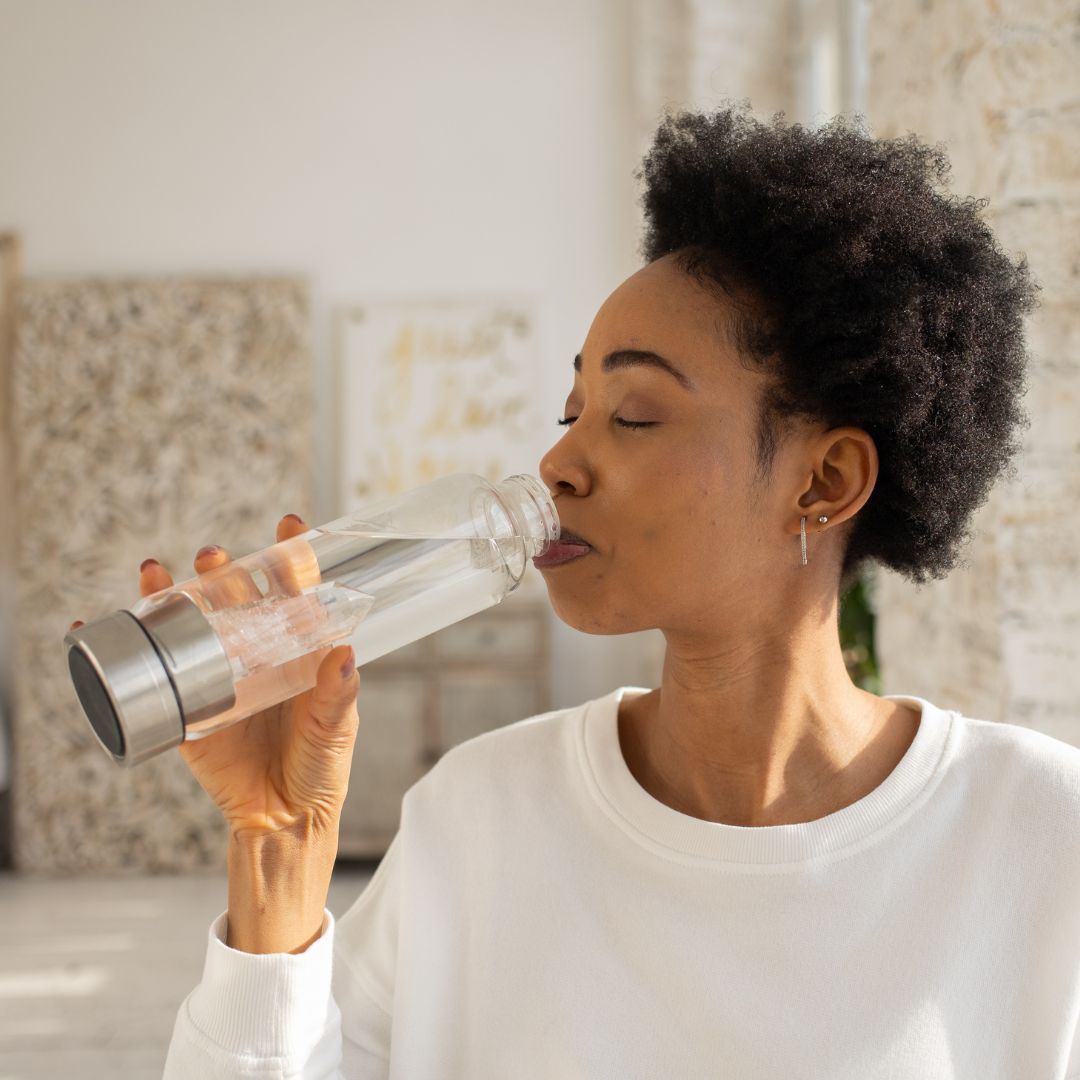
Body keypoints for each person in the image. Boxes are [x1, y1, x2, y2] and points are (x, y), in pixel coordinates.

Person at [137, 106, 1079, 1077]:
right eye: (571, 410)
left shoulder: (1042, 839)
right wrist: (281, 851)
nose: (557, 463)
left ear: (825, 481)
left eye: (633, 415)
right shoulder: (479, 818)